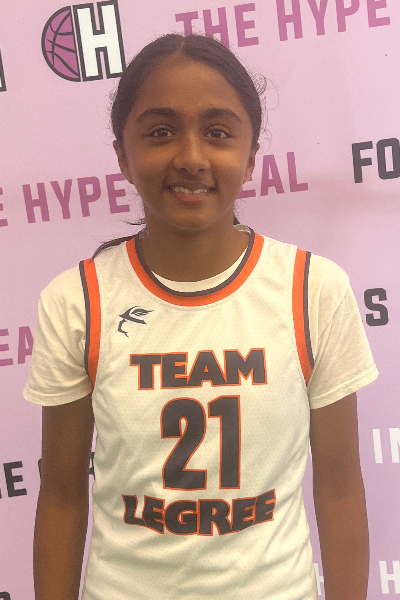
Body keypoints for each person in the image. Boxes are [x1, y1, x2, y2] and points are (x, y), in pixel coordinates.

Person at [24, 33, 378, 600]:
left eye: (217, 132)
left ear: (251, 154)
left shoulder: (314, 290)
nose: (191, 157)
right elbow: (63, 497)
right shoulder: (78, 301)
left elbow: (339, 489)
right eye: (160, 132)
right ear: (122, 154)